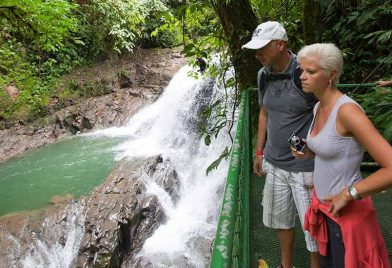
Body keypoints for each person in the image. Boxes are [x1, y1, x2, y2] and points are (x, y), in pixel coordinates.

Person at [293, 43, 392, 267]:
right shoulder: (319, 106)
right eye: (301, 70)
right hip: (326, 212)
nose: (302, 76)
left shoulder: (347, 111)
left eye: (311, 71)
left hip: (346, 217)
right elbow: (336, 151)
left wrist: (349, 193)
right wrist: (308, 152)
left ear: (332, 75)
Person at [242, 21, 319, 268]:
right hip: (274, 163)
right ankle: (287, 266)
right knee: (281, 221)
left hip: (305, 167)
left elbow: (326, 109)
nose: (257, 54)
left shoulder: (304, 72)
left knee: (313, 228)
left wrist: (316, 147)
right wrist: (259, 152)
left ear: (280, 44)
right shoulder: (263, 75)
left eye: (262, 47)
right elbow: (264, 113)